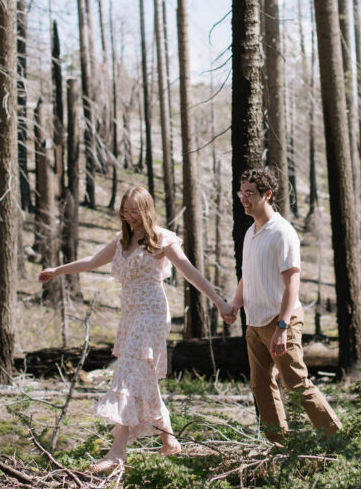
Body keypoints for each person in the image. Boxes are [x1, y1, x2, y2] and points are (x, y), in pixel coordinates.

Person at [39, 186, 230, 471]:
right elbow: (92, 261)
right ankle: (170, 441)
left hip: (152, 314)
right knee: (144, 377)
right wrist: (58, 270)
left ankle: (118, 451)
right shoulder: (121, 240)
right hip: (130, 315)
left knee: (127, 370)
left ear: (146, 210)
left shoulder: (162, 239)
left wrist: (219, 301)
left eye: (134, 211)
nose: (129, 217)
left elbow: (189, 271)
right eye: (125, 211)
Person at [224, 167, 342, 444]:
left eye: (250, 193)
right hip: (254, 322)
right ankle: (280, 446)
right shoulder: (251, 232)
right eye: (241, 193)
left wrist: (282, 327)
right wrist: (235, 304)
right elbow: (247, 275)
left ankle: (338, 441)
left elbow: (292, 283)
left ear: (268, 195)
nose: (243, 199)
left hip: (280, 320)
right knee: (261, 386)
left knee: (296, 383)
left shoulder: (282, 232)